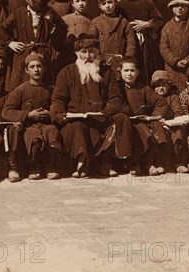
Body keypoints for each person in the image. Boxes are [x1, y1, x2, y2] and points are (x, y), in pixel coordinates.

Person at [50, 35, 131, 178]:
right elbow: (58, 99)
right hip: (76, 120)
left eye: (91, 51)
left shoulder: (107, 73)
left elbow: (115, 98)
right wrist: (61, 114)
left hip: (101, 119)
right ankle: (83, 162)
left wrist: (105, 112)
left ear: (97, 52)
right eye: (83, 51)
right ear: (77, 54)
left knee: (120, 119)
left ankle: (104, 161)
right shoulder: (66, 72)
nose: (87, 56)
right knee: (78, 127)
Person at [0, 0, 66, 91]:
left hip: (42, 53)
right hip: (23, 53)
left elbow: (62, 27)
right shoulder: (18, 13)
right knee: (21, 86)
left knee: (44, 85)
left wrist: (53, 38)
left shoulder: (48, 12)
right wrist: (10, 43)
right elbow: (1, 28)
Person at [3, 53, 63, 180]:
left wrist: (50, 114)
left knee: (53, 132)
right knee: (34, 138)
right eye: (32, 67)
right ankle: (33, 167)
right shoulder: (20, 90)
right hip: (29, 126)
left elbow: (58, 107)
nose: (36, 70)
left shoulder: (50, 90)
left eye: (39, 66)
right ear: (26, 70)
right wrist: (28, 115)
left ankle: (51, 167)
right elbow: (6, 111)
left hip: (46, 125)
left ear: (44, 68)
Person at [119, 57, 169, 175]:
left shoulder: (143, 89)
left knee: (150, 129)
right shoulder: (117, 88)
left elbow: (161, 102)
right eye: (126, 71)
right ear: (120, 72)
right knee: (136, 131)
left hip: (141, 121)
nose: (129, 74)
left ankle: (149, 163)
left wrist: (153, 117)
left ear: (137, 72)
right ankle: (134, 164)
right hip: (124, 122)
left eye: (132, 70)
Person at [116, 0, 165, 84]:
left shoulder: (147, 3)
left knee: (147, 71)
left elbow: (160, 21)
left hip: (147, 45)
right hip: (128, 45)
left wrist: (147, 24)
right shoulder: (119, 6)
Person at [89, 0, 136, 73]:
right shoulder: (96, 22)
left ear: (115, 2)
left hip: (120, 65)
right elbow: (92, 44)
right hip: (101, 64)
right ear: (100, 6)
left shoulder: (124, 22)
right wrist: (101, 61)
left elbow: (131, 44)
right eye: (104, 4)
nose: (107, 6)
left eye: (110, 2)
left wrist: (126, 62)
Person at [150, 70, 188, 173]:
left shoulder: (173, 98)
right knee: (159, 136)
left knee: (178, 135)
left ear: (169, 85)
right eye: (157, 86)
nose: (161, 88)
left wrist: (174, 121)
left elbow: (178, 112)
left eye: (164, 85)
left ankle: (178, 162)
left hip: (171, 124)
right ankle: (160, 163)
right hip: (157, 125)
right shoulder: (152, 98)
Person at [59, 0, 92, 69]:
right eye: (77, 1)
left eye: (83, 0)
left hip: (85, 57)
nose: (81, 4)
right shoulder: (65, 19)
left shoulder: (92, 21)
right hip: (67, 57)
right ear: (73, 4)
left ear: (88, 2)